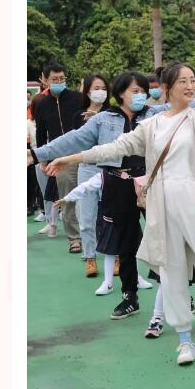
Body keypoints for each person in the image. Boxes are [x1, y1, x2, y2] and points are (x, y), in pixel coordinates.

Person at [43, 40, 195, 366]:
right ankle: (185, 340)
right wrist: (73, 157)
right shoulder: (151, 126)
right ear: (167, 88)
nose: (190, 86)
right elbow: (114, 148)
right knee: (171, 273)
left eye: (192, 81)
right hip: (164, 207)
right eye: (183, 81)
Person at [30, 70, 153, 305]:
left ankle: (178, 293)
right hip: (117, 183)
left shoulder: (154, 116)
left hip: (150, 183)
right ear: (121, 93)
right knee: (124, 240)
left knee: (163, 235)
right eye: (135, 91)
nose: (141, 96)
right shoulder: (104, 119)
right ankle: (129, 295)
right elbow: (73, 139)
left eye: (143, 91)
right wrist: (37, 154)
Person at [30, 62, 84, 253]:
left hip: (84, 153)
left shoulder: (78, 98)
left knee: (92, 195)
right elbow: (41, 133)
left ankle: (97, 234)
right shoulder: (41, 104)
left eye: (62, 78)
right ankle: (74, 238)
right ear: (45, 80)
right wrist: (42, 159)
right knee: (67, 197)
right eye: (55, 79)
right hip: (61, 157)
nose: (59, 82)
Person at [72, 74, 112, 278]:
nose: (100, 92)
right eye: (96, 88)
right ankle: (90, 257)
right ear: (87, 91)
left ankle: (116, 256)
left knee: (111, 215)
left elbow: (116, 142)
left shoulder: (113, 114)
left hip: (109, 168)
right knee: (87, 216)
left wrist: (98, 119)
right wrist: (88, 124)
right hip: (87, 168)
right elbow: (77, 142)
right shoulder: (78, 115)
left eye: (103, 88)